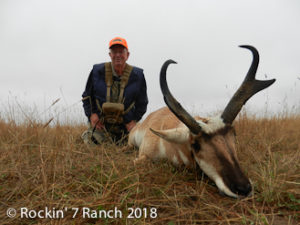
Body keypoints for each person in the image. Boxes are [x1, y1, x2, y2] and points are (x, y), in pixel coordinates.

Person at [81, 37, 148, 145]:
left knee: (137, 145)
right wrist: (92, 115)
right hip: (101, 125)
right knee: (92, 144)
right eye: (114, 52)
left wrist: (134, 121)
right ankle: (91, 134)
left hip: (125, 127)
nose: (118, 55)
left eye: (121, 52)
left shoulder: (138, 76)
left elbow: (142, 103)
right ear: (110, 55)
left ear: (127, 55)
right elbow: (87, 96)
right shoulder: (97, 71)